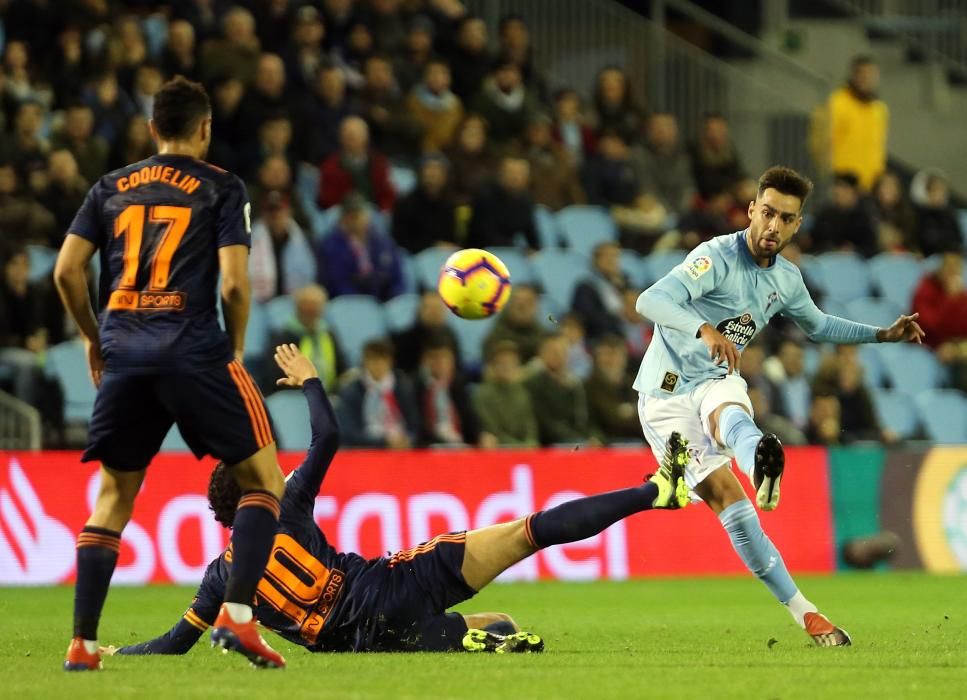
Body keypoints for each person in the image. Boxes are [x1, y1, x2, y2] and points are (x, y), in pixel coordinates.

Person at [105, 344, 688, 657]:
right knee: (528, 532)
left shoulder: (219, 580)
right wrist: (311, 379)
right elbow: (327, 437)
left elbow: (173, 644)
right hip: (391, 585)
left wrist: (116, 651)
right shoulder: (287, 505)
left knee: (502, 622)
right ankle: (652, 491)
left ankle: (475, 641)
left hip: (365, 643)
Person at [634, 165, 924, 647]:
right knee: (733, 507)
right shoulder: (714, 258)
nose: (772, 226)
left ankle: (804, 602)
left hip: (713, 380)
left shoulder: (787, 280)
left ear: (796, 226)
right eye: (766, 213)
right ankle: (760, 478)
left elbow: (818, 325)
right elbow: (651, 299)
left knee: (731, 407)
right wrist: (703, 329)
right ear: (751, 210)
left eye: (784, 219)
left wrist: (880, 334)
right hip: (663, 397)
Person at [54, 77, 287, 671]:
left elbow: (65, 272)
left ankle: (81, 644)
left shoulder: (108, 188)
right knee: (264, 483)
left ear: (153, 128)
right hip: (193, 350)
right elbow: (235, 283)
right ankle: (237, 617)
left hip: (125, 353)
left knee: (113, 497)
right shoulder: (222, 188)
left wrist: (93, 335)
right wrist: (231, 347)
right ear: (204, 129)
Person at [315, 192, 405, 301]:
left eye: (359, 214)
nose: (356, 219)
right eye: (351, 215)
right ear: (343, 218)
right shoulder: (331, 246)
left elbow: (397, 277)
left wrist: (392, 299)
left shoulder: (383, 242)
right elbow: (337, 283)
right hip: (350, 304)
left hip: (383, 302)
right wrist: (365, 303)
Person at [336, 338, 421, 449]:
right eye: (372, 359)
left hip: (400, 447)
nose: (378, 364)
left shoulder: (403, 387)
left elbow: (415, 426)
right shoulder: (351, 391)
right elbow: (349, 433)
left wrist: (408, 440)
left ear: (390, 361)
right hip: (367, 450)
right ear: (364, 362)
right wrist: (383, 442)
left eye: (382, 359)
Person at [824, 55, 888, 191]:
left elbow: (878, 147)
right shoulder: (836, 103)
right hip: (843, 184)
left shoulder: (879, 109)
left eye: (871, 74)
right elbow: (823, 143)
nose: (866, 79)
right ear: (853, 75)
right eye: (862, 74)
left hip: (872, 184)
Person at [524, 331, 597, 446]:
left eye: (563, 351)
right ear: (541, 353)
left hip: (576, 441)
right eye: (553, 351)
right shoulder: (533, 384)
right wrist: (580, 440)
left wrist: (592, 437)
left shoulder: (575, 384)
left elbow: (583, 420)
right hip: (549, 446)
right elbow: (545, 424)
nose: (559, 355)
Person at [270, 284, 344, 394]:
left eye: (316, 305)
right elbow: (275, 375)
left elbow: (342, 367)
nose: (311, 310)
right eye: (306, 304)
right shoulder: (283, 336)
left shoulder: (329, 333)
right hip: (297, 396)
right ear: (298, 307)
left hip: (329, 394)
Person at [912, 252, 967, 392]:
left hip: (954, 347)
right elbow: (930, 326)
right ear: (941, 269)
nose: (953, 273)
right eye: (950, 268)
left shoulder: (961, 295)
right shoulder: (925, 290)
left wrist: (956, 347)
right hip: (929, 345)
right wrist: (950, 300)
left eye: (957, 269)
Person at [317, 116, 396, 212]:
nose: (350, 139)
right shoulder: (330, 165)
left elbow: (387, 194)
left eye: (354, 136)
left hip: (374, 213)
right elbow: (326, 199)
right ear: (341, 138)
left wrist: (383, 210)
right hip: (342, 214)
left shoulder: (379, 163)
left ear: (366, 137)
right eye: (347, 136)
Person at [248, 191, 316, 302]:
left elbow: (311, 275)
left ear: (289, 212)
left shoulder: (303, 240)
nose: (275, 215)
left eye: (279, 210)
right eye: (270, 210)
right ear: (263, 214)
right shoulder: (249, 240)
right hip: (259, 303)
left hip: (293, 302)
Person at [414, 333, 479, 446]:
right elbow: (417, 427)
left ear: (453, 359)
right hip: (430, 449)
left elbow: (471, 420)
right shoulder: (416, 388)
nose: (440, 362)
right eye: (434, 357)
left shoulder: (459, 385)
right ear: (424, 360)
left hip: (461, 448)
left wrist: (481, 435)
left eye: (444, 356)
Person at [473, 340, 539, 447]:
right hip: (499, 452)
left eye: (512, 363)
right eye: (502, 363)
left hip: (524, 451)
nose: (507, 367)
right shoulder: (482, 394)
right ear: (492, 366)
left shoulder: (522, 393)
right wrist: (521, 448)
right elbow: (493, 431)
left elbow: (530, 430)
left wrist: (530, 445)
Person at [467, 156, 539, 252]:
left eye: (520, 173)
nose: (515, 177)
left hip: (509, 251)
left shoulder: (526, 200)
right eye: (511, 172)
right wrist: (518, 249)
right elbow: (486, 235)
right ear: (501, 174)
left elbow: (531, 234)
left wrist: (533, 249)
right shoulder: (485, 196)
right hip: (479, 252)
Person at [391, 153, 458, 254]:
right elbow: (401, 240)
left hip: (446, 257)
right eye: (428, 169)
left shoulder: (451, 203)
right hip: (416, 256)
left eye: (437, 169)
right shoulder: (406, 204)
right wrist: (432, 245)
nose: (432, 174)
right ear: (420, 174)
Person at [633, 112, 696, 218]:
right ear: (648, 131)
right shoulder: (639, 155)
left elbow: (688, 188)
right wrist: (669, 214)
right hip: (652, 215)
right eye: (657, 128)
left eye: (667, 127)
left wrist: (681, 213)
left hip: (681, 214)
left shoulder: (683, 157)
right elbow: (647, 190)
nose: (662, 132)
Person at [521, 113, 586, 211]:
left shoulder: (560, 153)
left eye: (543, 130)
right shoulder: (519, 154)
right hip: (532, 210)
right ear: (527, 132)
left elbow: (573, 186)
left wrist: (581, 210)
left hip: (561, 210)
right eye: (535, 130)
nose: (539, 134)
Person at [585, 334, 642, 443]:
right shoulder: (589, 386)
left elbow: (644, 416)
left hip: (637, 443)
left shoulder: (634, 385)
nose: (611, 360)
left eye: (616, 354)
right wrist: (629, 412)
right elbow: (609, 418)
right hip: (605, 443)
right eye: (606, 355)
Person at [806, 172, 878, 257]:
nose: (839, 192)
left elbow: (870, 248)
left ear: (854, 192)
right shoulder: (826, 215)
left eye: (844, 188)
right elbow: (815, 241)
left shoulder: (864, 218)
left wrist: (854, 250)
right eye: (837, 188)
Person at [391, 289, 462, 374]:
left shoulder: (451, 337)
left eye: (438, 308)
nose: (434, 313)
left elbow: (457, 370)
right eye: (429, 308)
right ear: (419, 311)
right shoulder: (403, 341)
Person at [571, 241, 628, 342]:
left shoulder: (625, 284)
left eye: (615, 256)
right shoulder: (585, 287)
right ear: (595, 261)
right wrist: (617, 322)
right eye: (607, 256)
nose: (612, 261)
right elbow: (589, 318)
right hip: (598, 340)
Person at [406, 57, 464, 152]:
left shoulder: (456, 105)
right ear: (424, 77)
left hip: (446, 155)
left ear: (449, 78)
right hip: (416, 152)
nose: (436, 77)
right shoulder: (413, 101)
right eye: (432, 73)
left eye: (442, 73)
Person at [483, 283, 544, 363]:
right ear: (510, 304)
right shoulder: (496, 337)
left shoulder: (542, 336)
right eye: (519, 303)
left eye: (529, 303)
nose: (523, 308)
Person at [690, 113, 746, 200]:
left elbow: (739, 175)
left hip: (729, 198)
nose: (716, 134)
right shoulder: (695, 154)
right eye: (712, 130)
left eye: (720, 130)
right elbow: (704, 184)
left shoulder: (729, 152)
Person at [910, 168, 964, 257]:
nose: (939, 195)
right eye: (935, 190)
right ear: (923, 191)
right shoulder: (914, 214)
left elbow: (958, 242)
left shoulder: (949, 213)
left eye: (942, 190)